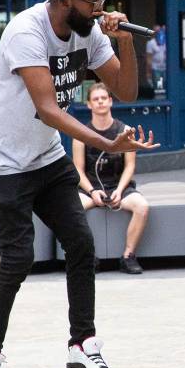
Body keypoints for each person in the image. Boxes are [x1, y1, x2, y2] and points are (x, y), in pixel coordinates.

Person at [0, 0, 157, 368]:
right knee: (18, 257)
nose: (99, 7)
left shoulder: (91, 33)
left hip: (45, 155)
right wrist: (108, 144)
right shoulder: (26, 32)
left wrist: (123, 43)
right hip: (4, 159)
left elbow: (127, 91)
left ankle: (82, 346)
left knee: (81, 242)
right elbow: (49, 109)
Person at [73, 83, 151, 275]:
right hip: (91, 189)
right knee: (71, 210)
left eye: (103, 98)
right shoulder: (81, 135)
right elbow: (78, 170)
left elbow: (130, 166)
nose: (100, 102)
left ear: (110, 101)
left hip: (119, 186)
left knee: (142, 206)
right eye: (95, 99)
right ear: (89, 104)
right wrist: (92, 191)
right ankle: (88, 257)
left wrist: (119, 190)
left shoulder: (125, 131)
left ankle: (128, 256)